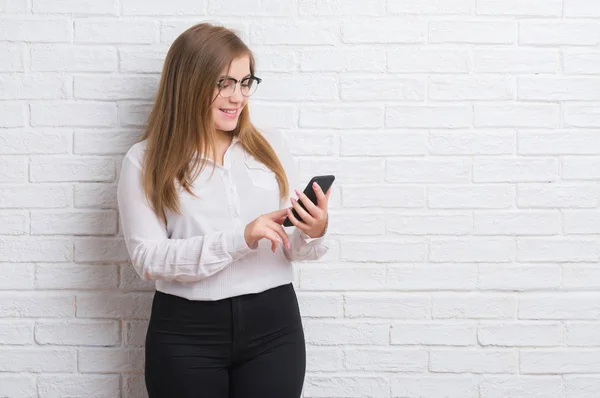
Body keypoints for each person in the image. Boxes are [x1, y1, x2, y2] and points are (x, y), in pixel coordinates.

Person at [117, 23, 331, 398]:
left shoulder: (270, 147)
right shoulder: (144, 160)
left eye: (245, 82)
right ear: (189, 83)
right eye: (224, 83)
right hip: (186, 334)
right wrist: (240, 238)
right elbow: (148, 259)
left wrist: (312, 230)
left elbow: (289, 243)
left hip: (275, 327)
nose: (238, 96)